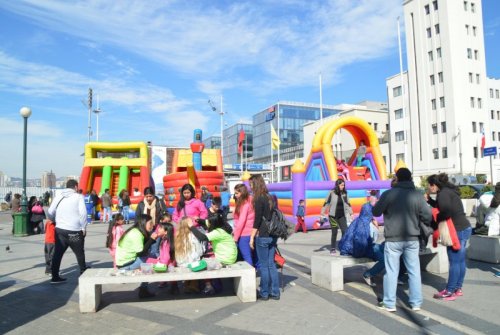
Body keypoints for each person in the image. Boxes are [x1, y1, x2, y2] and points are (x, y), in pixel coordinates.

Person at [372, 168, 432, 312]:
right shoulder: (417, 195)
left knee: (392, 271)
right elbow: (428, 216)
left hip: (393, 239)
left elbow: (376, 212)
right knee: (414, 271)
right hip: (412, 238)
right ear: (410, 178)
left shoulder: (388, 194)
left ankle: (390, 303)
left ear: (397, 178)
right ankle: (416, 303)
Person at [426, 173, 472, 301]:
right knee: (461, 261)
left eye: (429, 185)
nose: (428, 188)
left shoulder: (443, 194)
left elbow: (445, 212)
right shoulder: (449, 191)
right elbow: (443, 206)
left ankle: (449, 290)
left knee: (454, 261)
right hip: (464, 227)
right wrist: (430, 201)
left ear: (434, 185)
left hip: (456, 230)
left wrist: (436, 219)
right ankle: (458, 288)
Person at [47, 179, 90, 284]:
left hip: (60, 230)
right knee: (79, 252)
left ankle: (55, 276)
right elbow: (83, 213)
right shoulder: (78, 197)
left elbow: (50, 211)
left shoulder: (59, 196)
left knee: (58, 253)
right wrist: (83, 227)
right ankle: (83, 272)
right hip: (74, 231)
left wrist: (54, 220)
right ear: (76, 187)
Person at [115, 214, 164, 298]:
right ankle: (143, 289)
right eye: (150, 223)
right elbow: (141, 253)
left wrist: (151, 240)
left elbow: (143, 250)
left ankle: (144, 289)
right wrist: (152, 239)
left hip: (125, 262)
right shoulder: (136, 234)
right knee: (152, 263)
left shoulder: (136, 231)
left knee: (152, 257)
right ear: (144, 223)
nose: (152, 225)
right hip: (125, 265)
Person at [249, 174, 280, 301]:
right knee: (271, 264)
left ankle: (264, 293)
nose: (250, 186)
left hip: (262, 234)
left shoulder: (258, 198)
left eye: (251, 184)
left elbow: (257, 220)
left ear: (255, 184)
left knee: (264, 265)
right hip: (273, 234)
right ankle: (275, 292)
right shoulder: (270, 197)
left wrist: (252, 237)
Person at [191, 211, 238, 294]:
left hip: (225, 259)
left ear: (214, 224)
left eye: (209, 222)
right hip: (230, 256)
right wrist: (199, 220)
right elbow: (206, 222)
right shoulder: (223, 227)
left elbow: (202, 237)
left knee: (201, 264)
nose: (207, 224)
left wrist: (191, 227)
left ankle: (210, 286)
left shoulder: (217, 232)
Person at [320, 179, 353, 255]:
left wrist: (351, 213)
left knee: (345, 231)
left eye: (344, 185)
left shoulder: (345, 193)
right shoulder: (332, 193)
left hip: (342, 215)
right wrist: (322, 213)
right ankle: (333, 248)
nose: (343, 186)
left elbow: (348, 203)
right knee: (334, 232)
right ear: (337, 185)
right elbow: (326, 203)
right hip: (333, 216)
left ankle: (343, 246)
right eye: (341, 185)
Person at [174, 216, 206, 293]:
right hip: (192, 264)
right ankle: (193, 284)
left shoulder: (177, 236)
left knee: (189, 261)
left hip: (181, 263)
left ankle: (187, 284)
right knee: (199, 262)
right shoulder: (193, 235)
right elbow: (199, 252)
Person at [232, 183, 257, 267]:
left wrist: (235, 237)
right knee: (254, 257)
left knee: (247, 258)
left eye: (236, 193)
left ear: (242, 193)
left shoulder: (244, 204)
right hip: (252, 232)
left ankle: (249, 278)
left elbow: (241, 222)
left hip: (244, 233)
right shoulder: (251, 200)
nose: (235, 195)